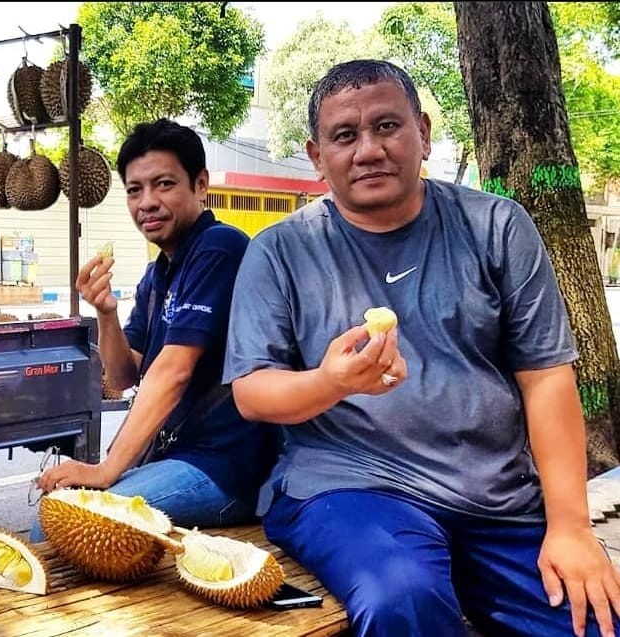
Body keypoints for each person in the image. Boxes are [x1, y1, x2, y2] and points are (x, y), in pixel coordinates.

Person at [223, 58, 620, 637]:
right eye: (344, 135)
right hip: (353, 490)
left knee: (597, 620)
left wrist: (570, 526)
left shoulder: (497, 227)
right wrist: (331, 383)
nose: (368, 150)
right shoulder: (280, 253)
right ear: (316, 157)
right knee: (402, 600)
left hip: (497, 499)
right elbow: (252, 393)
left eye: (387, 126)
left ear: (424, 133)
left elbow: (546, 378)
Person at [33, 119, 277, 539]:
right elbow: (125, 375)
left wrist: (107, 469)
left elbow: (173, 370)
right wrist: (105, 313)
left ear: (200, 185)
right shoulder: (157, 273)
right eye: (134, 189)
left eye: (163, 184)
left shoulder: (219, 248)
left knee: (61, 529)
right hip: (175, 458)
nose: (147, 202)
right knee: (57, 520)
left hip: (225, 468)